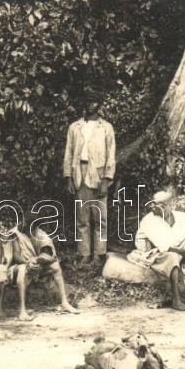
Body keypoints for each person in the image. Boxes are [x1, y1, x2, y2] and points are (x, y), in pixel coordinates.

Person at [63, 93, 116, 266]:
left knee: (100, 217)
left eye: (94, 101)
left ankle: (98, 254)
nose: (91, 105)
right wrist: (69, 177)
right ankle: (84, 253)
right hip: (79, 173)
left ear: (99, 104)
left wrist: (106, 180)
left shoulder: (106, 127)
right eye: (88, 101)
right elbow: (69, 154)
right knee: (82, 218)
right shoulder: (75, 127)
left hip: (98, 174)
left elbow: (111, 156)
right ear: (84, 104)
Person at [7, 213, 79, 321]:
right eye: (20, 221)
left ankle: (64, 303)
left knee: (55, 266)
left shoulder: (41, 235)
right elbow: (16, 256)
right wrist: (28, 263)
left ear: (32, 226)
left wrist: (37, 260)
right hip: (18, 268)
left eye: (24, 222)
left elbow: (50, 256)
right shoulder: (15, 233)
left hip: (36, 268)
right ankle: (22, 310)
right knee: (22, 269)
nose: (20, 224)